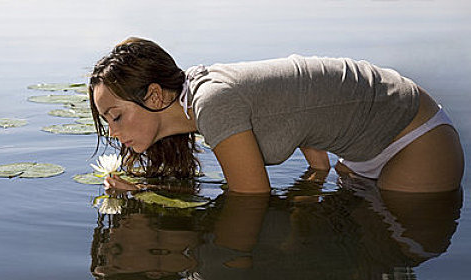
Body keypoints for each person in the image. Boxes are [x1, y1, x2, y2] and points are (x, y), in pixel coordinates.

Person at [89, 37, 464, 193]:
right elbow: (298, 107)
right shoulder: (198, 93)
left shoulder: (211, 104)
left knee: (399, 233)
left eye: (116, 116)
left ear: (154, 95)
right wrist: (316, 176)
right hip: (362, 152)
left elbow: (251, 198)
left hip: (415, 140)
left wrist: (143, 195)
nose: (113, 131)